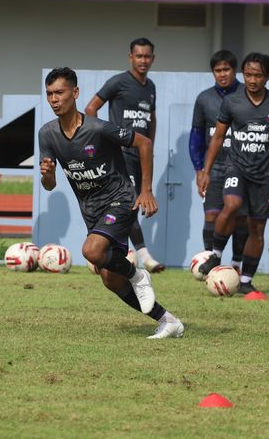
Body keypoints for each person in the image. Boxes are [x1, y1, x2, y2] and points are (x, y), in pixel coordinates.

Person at [39, 67, 184, 339]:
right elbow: (50, 185)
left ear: (75, 93)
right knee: (110, 279)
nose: (54, 99)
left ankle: (138, 274)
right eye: (49, 94)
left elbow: (144, 143)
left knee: (92, 251)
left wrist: (146, 190)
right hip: (92, 212)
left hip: (121, 199)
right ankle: (168, 320)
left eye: (60, 92)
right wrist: (47, 175)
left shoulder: (97, 127)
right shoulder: (47, 134)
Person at [197, 53, 269, 293]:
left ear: (268, 76)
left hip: (264, 174)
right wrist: (205, 171)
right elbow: (218, 137)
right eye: (248, 75)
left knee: (257, 229)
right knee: (230, 205)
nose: (252, 80)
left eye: (258, 75)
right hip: (236, 167)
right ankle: (216, 255)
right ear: (243, 74)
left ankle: (246, 281)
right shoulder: (231, 102)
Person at [84, 37, 166, 273]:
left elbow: (152, 118)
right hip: (121, 156)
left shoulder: (150, 87)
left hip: (140, 155)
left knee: (133, 202)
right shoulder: (118, 82)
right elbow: (91, 108)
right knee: (129, 201)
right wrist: (106, 139)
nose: (143, 60)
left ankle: (110, 252)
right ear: (130, 57)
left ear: (153, 58)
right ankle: (143, 256)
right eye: (139, 56)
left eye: (147, 56)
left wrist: (149, 148)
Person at [190, 50, 249, 272]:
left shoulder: (248, 94)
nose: (222, 74)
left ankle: (236, 265)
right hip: (214, 167)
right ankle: (212, 263)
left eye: (226, 69)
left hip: (243, 167)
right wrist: (199, 169)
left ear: (235, 71)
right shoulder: (204, 99)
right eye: (218, 70)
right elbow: (196, 136)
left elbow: (267, 132)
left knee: (240, 217)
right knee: (212, 214)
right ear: (212, 72)